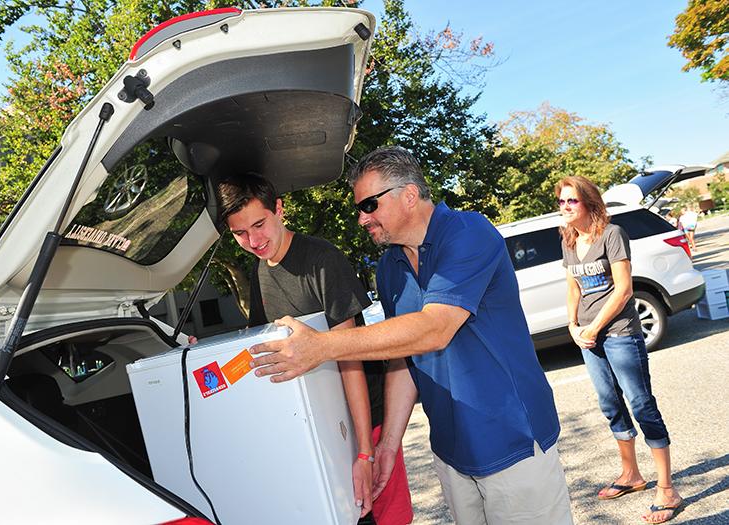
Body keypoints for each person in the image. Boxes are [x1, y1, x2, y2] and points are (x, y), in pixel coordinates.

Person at [249, 147, 574, 524]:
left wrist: (320, 346)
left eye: (369, 205)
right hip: (452, 451)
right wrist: (388, 443)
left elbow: (434, 329)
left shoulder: (469, 232)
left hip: (513, 442)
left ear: (408, 194)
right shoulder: (390, 268)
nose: (361, 218)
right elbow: (404, 357)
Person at [216, 173, 413, 525]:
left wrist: (366, 453)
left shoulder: (323, 259)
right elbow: (263, 347)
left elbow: (348, 354)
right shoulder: (260, 270)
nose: (254, 240)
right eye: (240, 234)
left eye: (259, 225)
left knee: (388, 519)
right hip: (322, 429)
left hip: (367, 423)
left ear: (279, 209)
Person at [556, 176, 683, 524]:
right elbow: (573, 287)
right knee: (610, 404)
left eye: (572, 201)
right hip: (588, 337)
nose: (565, 207)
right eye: (562, 202)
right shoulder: (569, 239)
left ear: (589, 203)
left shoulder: (612, 234)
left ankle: (667, 489)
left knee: (641, 403)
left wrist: (595, 328)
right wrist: (573, 325)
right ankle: (631, 475)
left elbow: (624, 290)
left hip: (619, 332)